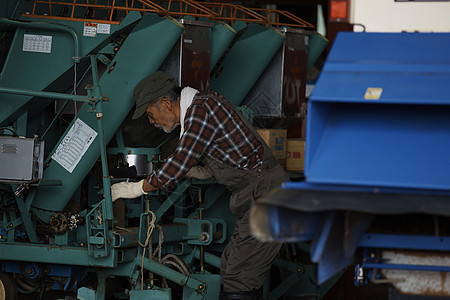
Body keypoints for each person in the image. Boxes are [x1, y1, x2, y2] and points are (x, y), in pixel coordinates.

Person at [111, 71, 290, 300]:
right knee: (232, 266)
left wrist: (136, 188)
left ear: (165, 103)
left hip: (265, 195)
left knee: (239, 275)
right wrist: (203, 171)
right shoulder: (203, 107)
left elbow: (180, 159)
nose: (151, 122)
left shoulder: (201, 110)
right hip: (258, 195)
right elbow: (230, 153)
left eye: (149, 114)